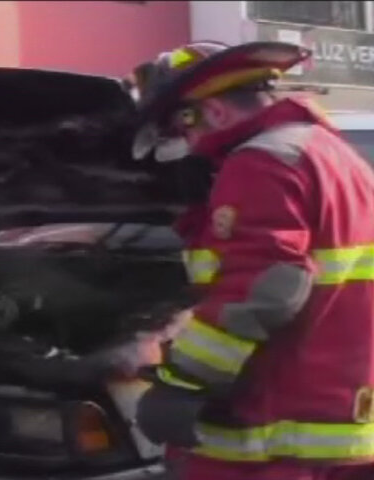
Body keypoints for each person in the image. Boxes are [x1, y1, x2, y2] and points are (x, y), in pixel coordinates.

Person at [132, 41, 374, 480]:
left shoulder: (259, 161)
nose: (187, 147)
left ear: (213, 112)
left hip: (273, 429)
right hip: (338, 421)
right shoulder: (329, 152)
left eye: (181, 131)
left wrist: (184, 379)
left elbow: (266, 284)